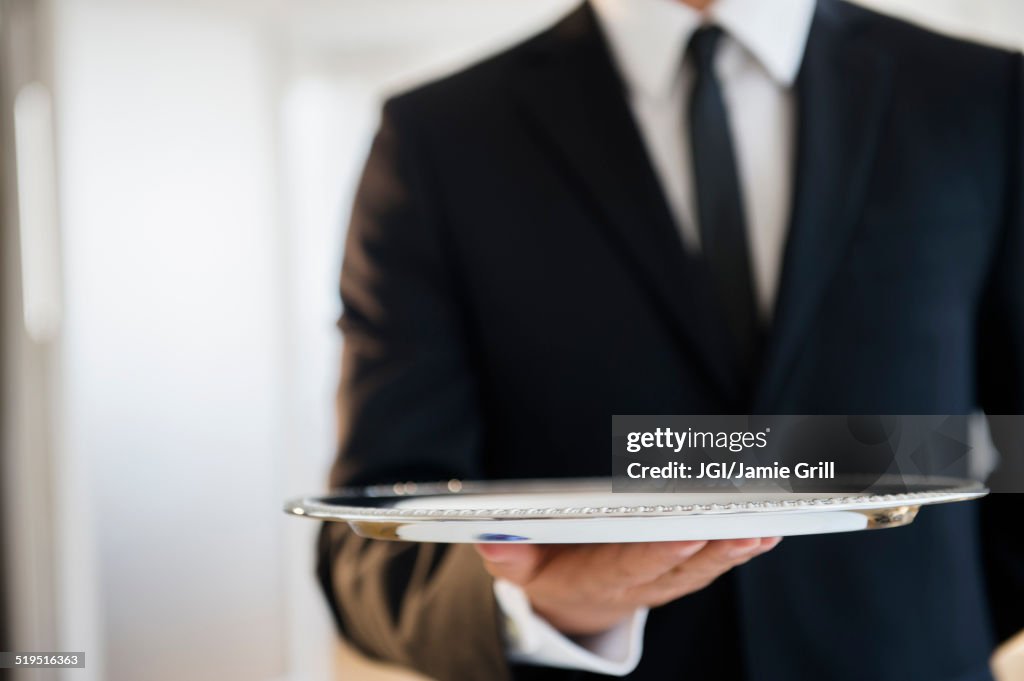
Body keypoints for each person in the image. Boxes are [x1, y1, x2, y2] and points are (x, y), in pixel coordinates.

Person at [317, 0, 1024, 679]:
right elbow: (369, 542)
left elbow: (1015, 442)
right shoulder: (437, 138)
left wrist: (940, 632)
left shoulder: (985, 97)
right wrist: (543, 606)